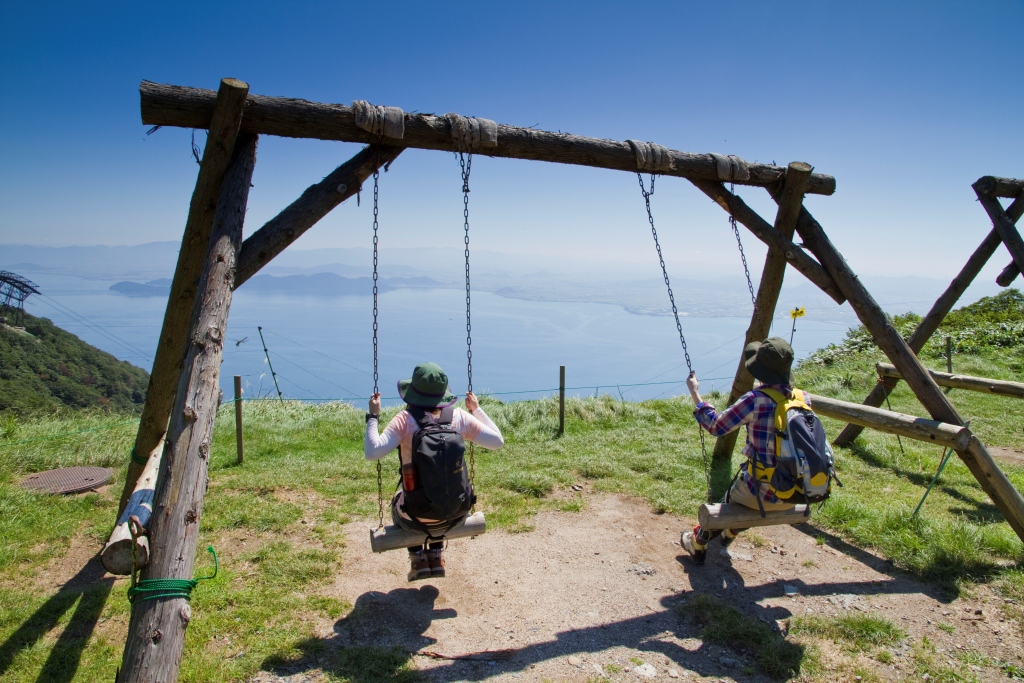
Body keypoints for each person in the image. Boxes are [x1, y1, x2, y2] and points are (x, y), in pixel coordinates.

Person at [365, 362, 504, 581]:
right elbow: (498, 441)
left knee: (399, 500)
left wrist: (373, 416)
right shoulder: (459, 418)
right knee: (443, 489)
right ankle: (437, 554)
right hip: (457, 516)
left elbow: (372, 452)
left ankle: (418, 558)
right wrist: (476, 409)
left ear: (413, 393)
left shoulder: (405, 421)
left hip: (413, 518)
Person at [681, 337, 801, 564]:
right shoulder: (802, 400)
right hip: (796, 491)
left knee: (728, 505)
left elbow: (716, 426)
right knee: (746, 498)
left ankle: (696, 543)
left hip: (761, 493)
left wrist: (695, 392)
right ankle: (730, 534)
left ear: (760, 370)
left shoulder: (755, 400)